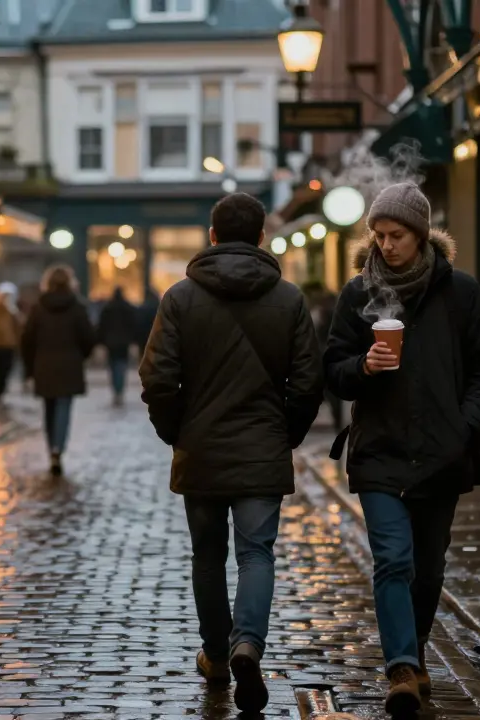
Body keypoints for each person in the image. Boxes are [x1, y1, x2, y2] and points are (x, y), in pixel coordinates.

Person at [323, 183, 480, 717]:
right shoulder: (358, 294)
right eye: (378, 235)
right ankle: (401, 666)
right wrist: (363, 367)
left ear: (421, 234)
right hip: (379, 452)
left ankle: (415, 652)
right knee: (393, 560)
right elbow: (332, 369)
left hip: (441, 454)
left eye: (395, 235)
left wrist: (464, 428)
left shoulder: (460, 292)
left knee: (428, 571)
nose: (385, 245)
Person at [139, 193, 323, 712]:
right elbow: (309, 382)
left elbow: (157, 378)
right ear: (262, 236)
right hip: (262, 447)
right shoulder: (287, 299)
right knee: (256, 553)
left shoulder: (179, 298)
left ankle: (217, 655)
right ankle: (249, 644)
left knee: (207, 555)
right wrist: (284, 433)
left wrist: (176, 430)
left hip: (200, 450)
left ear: (212, 235)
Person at [21, 265, 96, 476]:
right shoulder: (77, 306)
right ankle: (58, 449)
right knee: (64, 407)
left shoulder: (38, 307)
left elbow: (27, 339)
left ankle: (51, 447)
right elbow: (88, 337)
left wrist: (29, 368)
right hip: (69, 365)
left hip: (44, 365)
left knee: (49, 408)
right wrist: (80, 356)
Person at [302, 280, 343, 432]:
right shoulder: (314, 305)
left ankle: (337, 422)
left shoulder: (326, 306)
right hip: (321, 354)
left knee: (329, 392)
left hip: (325, 353)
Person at [96, 286, 139, 404]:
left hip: (110, 342)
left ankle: (116, 389)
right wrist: (134, 340)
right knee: (122, 366)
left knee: (113, 366)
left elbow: (101, 326)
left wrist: (100, 341)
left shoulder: (107, 308)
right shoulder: (128, 308)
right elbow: (134, 325)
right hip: (124, 342)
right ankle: (119, 390)